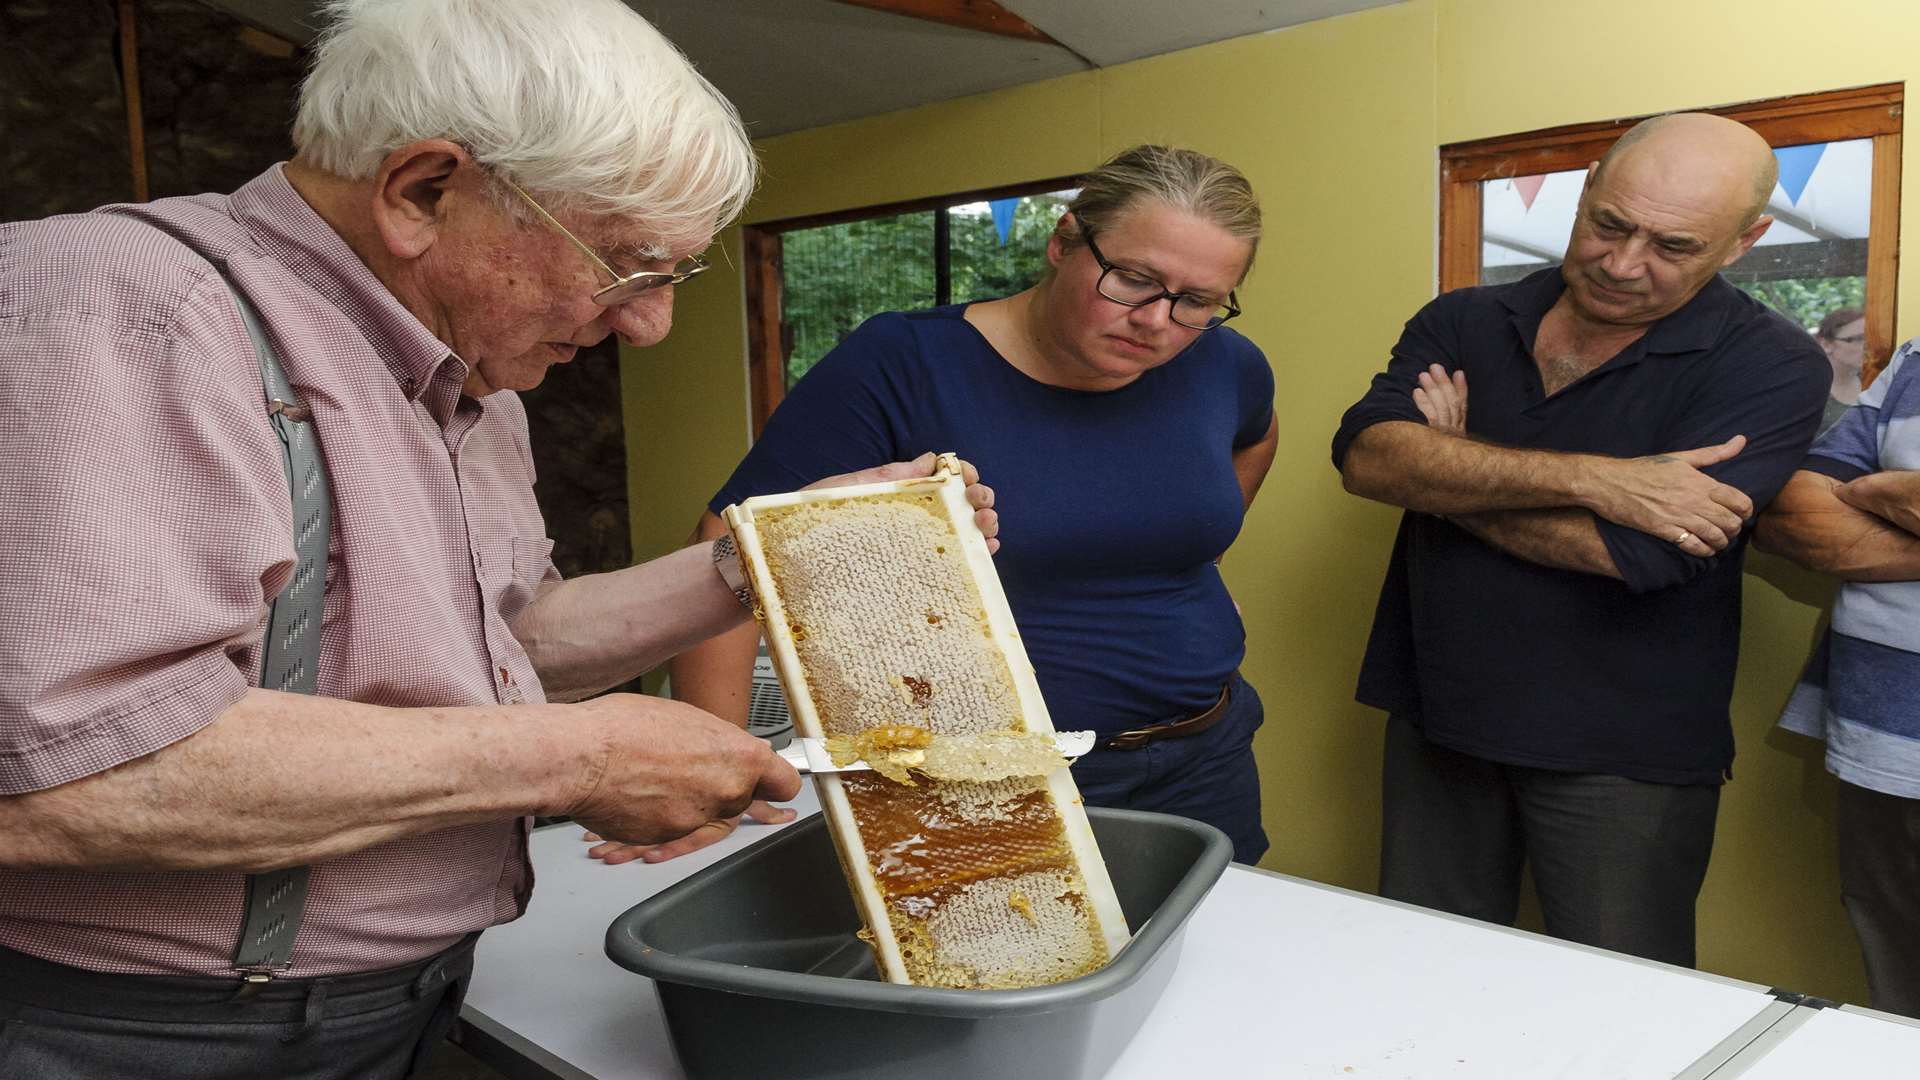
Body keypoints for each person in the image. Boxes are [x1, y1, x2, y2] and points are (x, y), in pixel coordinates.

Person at [0, 1, 995, 1077]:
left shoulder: (471, 370)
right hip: (145, 1035)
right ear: (424, 190)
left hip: (405, 999)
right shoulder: (118, 306)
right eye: (628, 265)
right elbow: (63, 778)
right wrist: (581, 757)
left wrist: (775, 553)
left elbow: (507, 645)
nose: (650, 324)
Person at [589, 145, 1277, 867]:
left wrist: (1194, 557)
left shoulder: (1226, 365)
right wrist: (713, 773)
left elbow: (1255, 439)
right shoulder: (901, 363)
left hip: (1205, 754)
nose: (1158, 321)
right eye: (1133, 279)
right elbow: (732, 545)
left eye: (1197, 302)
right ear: (1064, 239)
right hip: (977, 777)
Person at [1331, 113, 1828, 966]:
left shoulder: (1771, 363)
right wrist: (1605, 480)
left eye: (1673, 247)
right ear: (1589, 185)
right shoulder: (1467, 318)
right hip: (1438, 712)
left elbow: (1646, 552)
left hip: (1626, 754)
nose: (1624, 264)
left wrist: (1446, 478)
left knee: (1625, 1002)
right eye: (1609, 224)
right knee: (1419, 973)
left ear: (1744, 243)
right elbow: (1371, 459)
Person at [1755, 335, 1920, 1017]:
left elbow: (1855, 496)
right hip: (1885, 746)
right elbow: (1796, 516)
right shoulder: (1915, 363)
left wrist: (1879, 491)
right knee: (1901, 997)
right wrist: (1883, 491)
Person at [1815, 306, 1868, 434]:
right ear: (1826, 344)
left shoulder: (1877, 384)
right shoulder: (1809, 390)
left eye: (1869, 338)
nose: (1867, 345)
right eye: (1858, 339)